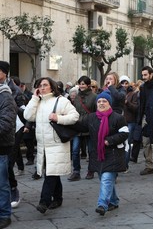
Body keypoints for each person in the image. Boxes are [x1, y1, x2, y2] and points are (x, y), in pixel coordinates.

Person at [24, 77, 79, 214]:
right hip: (43, 145)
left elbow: (75, 116)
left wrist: (58, 118)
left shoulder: (61, 101)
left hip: (57, 144)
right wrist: (34, 99)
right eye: (39, 85)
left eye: (45, 85)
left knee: (50, 173)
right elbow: (28, 115)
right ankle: (58, 198)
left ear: (52, 87)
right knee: (52, 172)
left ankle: (44, 201)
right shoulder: (38, 102)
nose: (42, 88)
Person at [75, 90, 129, 216]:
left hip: (114, 153)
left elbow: (125, 133)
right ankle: (114, 201)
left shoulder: (118, 118)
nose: (101, 103)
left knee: (106, 178)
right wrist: (60, 120)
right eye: (99, 101)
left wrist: (109, 141)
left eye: (104, 101)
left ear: (109, 103)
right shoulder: (91, 117)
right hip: (98, 154)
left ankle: (102, 204)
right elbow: (79, 126)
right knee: (104, 178)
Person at [0, 61, 25, 209]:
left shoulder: (13, 90)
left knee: (8, 163)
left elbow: (22, 110)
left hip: (13, 129)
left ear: (4, 72)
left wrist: (27, 126)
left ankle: (13, 189)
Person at [68, 76, 96, 181]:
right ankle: (76, 171)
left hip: (89, 126)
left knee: (91, 151)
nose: (81, 86)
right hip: (78, 127)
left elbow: (96, 113)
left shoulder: (94, 97)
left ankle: (91, 170)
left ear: (88, 85)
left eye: (83, 84)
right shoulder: (77, 97)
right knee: (75, 151)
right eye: (80, 83)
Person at [0, 83, 17, 229]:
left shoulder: (6, 97)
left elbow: (6, 123)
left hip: (1, 148)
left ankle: (5, 215)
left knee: (1, 184)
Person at [138, 66, 153, 175]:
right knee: (146, 142)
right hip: (146, 117)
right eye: (142, 75)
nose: (143, 77)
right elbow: (142, 104)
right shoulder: (143, 87)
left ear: (151, 74)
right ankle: (149, 165)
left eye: (145, 75)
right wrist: (140, 119)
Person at [120, 75, 138, 171]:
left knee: (127, 143)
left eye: (126, 83)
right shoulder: (117, 92)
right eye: (122, 83)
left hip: (130, 121)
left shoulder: (133, 94)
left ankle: (125, 165)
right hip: (119, 121)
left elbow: (135, 108)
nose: (124, 85)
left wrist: (127, 103)